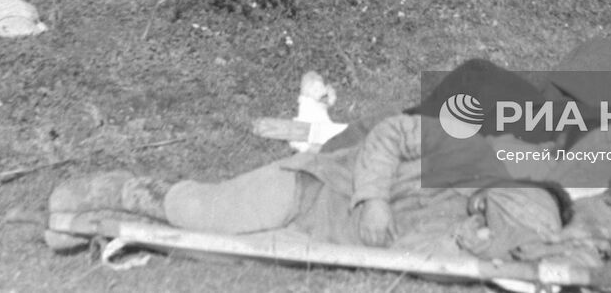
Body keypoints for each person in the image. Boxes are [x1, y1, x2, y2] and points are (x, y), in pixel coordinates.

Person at [43, 112, 567, 260]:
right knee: (202, 214)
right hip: (311, 187)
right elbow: (389, 132)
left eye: (491, 230)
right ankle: (112, 190)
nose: (479, 226)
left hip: (318, 239)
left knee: (215, 253)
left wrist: (464, 244)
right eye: (487, 213)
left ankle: (115, 228)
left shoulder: (472, 249)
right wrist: (374, 200)